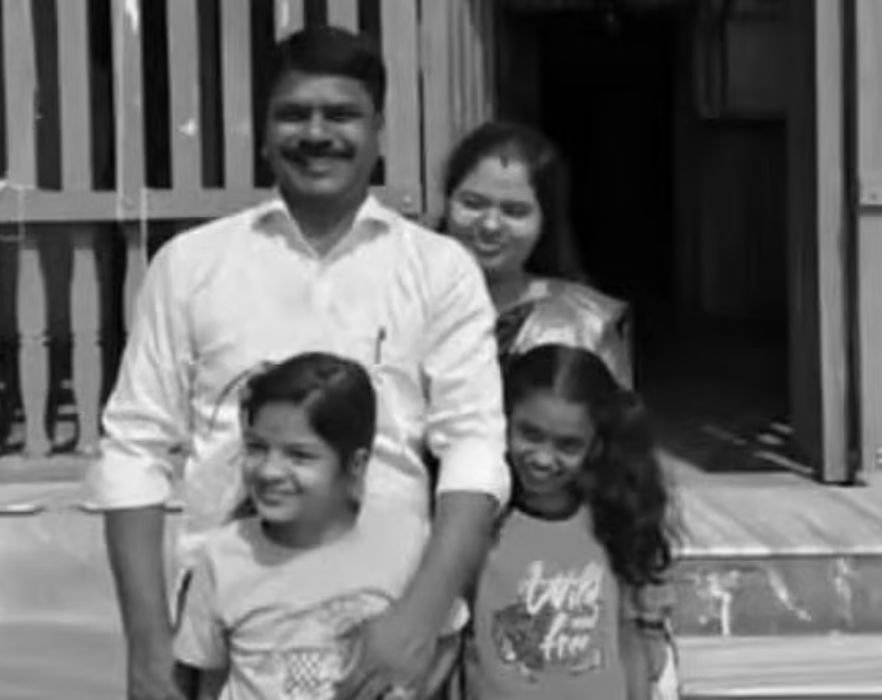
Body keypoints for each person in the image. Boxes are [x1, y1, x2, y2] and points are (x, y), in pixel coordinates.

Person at [88, 25, 508, 700]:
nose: (316, 133)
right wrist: (146, 642)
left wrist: (420, 616)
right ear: (263, 131)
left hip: (386, 627)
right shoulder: (191, 266)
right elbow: (134, 448)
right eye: (293, 114)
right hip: (228, 637)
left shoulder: (438, 270)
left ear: (378, 131)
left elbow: (474, 449)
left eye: (341, 114)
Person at [172, 353, 459, 700]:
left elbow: (447, 639)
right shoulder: (222, 557)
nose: (270, 471)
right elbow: (208, 681)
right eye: (257, 448)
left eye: (299, 455)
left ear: (356, 465)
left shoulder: (406, 542)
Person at [461, 344, 679, 700]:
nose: (544, 458)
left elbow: (628, 640)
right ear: (503, 421)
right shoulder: (477, 522)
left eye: (567, 445)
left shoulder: (613, 521)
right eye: (530, 434)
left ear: (595, 445)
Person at [441, 121, 633, 387]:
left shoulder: (585, 324)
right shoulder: (402, 299)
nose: (490, 225)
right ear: (447, 203)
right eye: (472, 204)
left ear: (545, 220)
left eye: (514, 211)